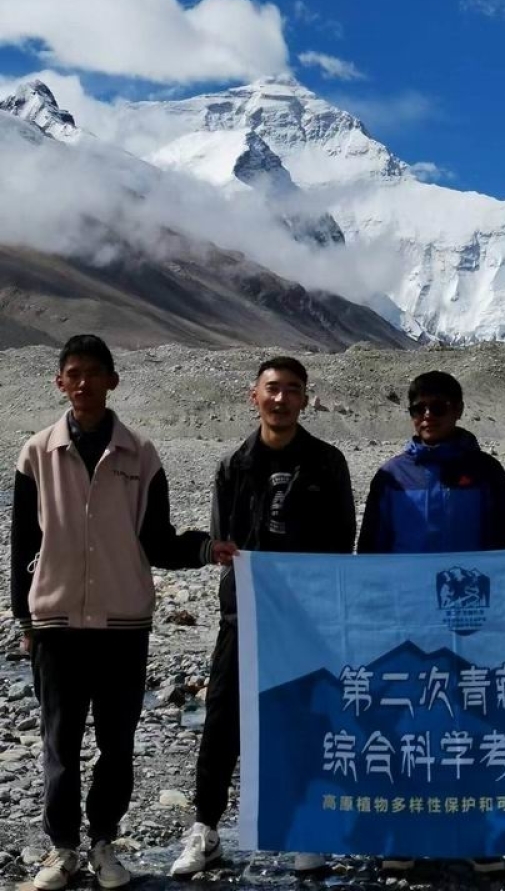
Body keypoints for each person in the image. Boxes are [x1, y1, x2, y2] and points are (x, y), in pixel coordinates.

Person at [10, 335, 235, 891]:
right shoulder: (36, 453)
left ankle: (104, 842)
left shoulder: (141, 454)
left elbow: (155, 540)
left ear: (113, 380)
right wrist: (25, 620)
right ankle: (63, 848)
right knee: (60, 744)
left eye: (94, 372)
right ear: (60, 382)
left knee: (117, 744)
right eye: (73, 373)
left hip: (122, 626)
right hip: (57, 625)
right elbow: (22, 546)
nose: (83, 382)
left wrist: (206, 548)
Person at [170, 356, 356, 879]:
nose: (281, 398)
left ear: (305, 399)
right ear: (254, 396)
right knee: (222, 719)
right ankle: (206, 829)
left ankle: (306, 828)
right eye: (272, 388)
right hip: (244, 614)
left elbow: (343, 540)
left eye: (292, 389)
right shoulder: (234, 465)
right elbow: (223, 540)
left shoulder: (327, 463)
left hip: (307, 618)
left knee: (306, 718)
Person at [358, 370, 505, 874]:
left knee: (473, 724)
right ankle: (403, 833)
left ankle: (477, 832)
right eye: (419, 408)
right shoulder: (391, 476)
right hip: (407, 622)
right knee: (407, 726)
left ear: (458, 410)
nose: (428, 416)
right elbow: (371, 551)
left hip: (471, 620)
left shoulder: (487, 472)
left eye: (439, 407)